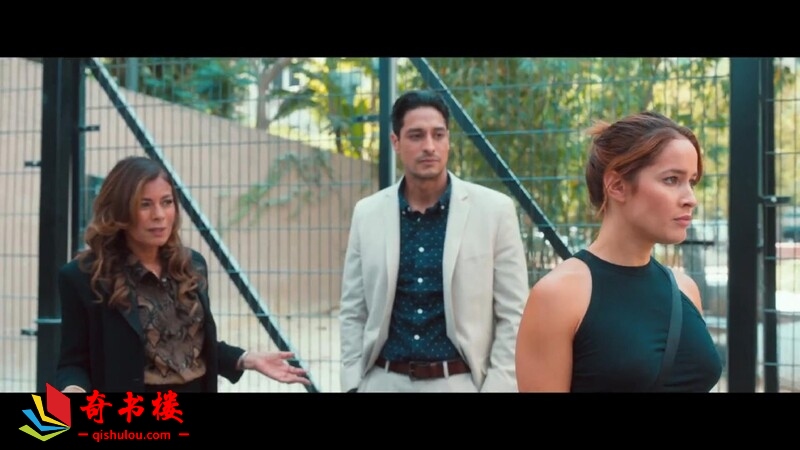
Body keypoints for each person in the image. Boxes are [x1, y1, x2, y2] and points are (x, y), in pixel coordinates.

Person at [55, 156, 311, 393]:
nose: (159, 215)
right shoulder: (82, 277)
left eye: (166, 202)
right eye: (145, 205)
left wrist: (246, 359)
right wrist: (73, 391)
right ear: (120, 211)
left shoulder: (191, 265)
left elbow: (191, 346)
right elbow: (72, 363)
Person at [515, 111, 723, 392]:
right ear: (617, 186)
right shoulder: (559, 296)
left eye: (692, 181)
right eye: (672, 179)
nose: (690, 199)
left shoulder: (685, 290)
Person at [339, 89, 530, 393]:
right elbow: (353, 309)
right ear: (395, 142)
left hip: (459, 382)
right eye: (416, 136)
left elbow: (514, 313)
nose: (429, 146)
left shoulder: (495, 211)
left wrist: (498, 386)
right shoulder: (367, 213)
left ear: (448, 140)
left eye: (438, 135)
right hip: (382, 380)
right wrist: (353, 383)